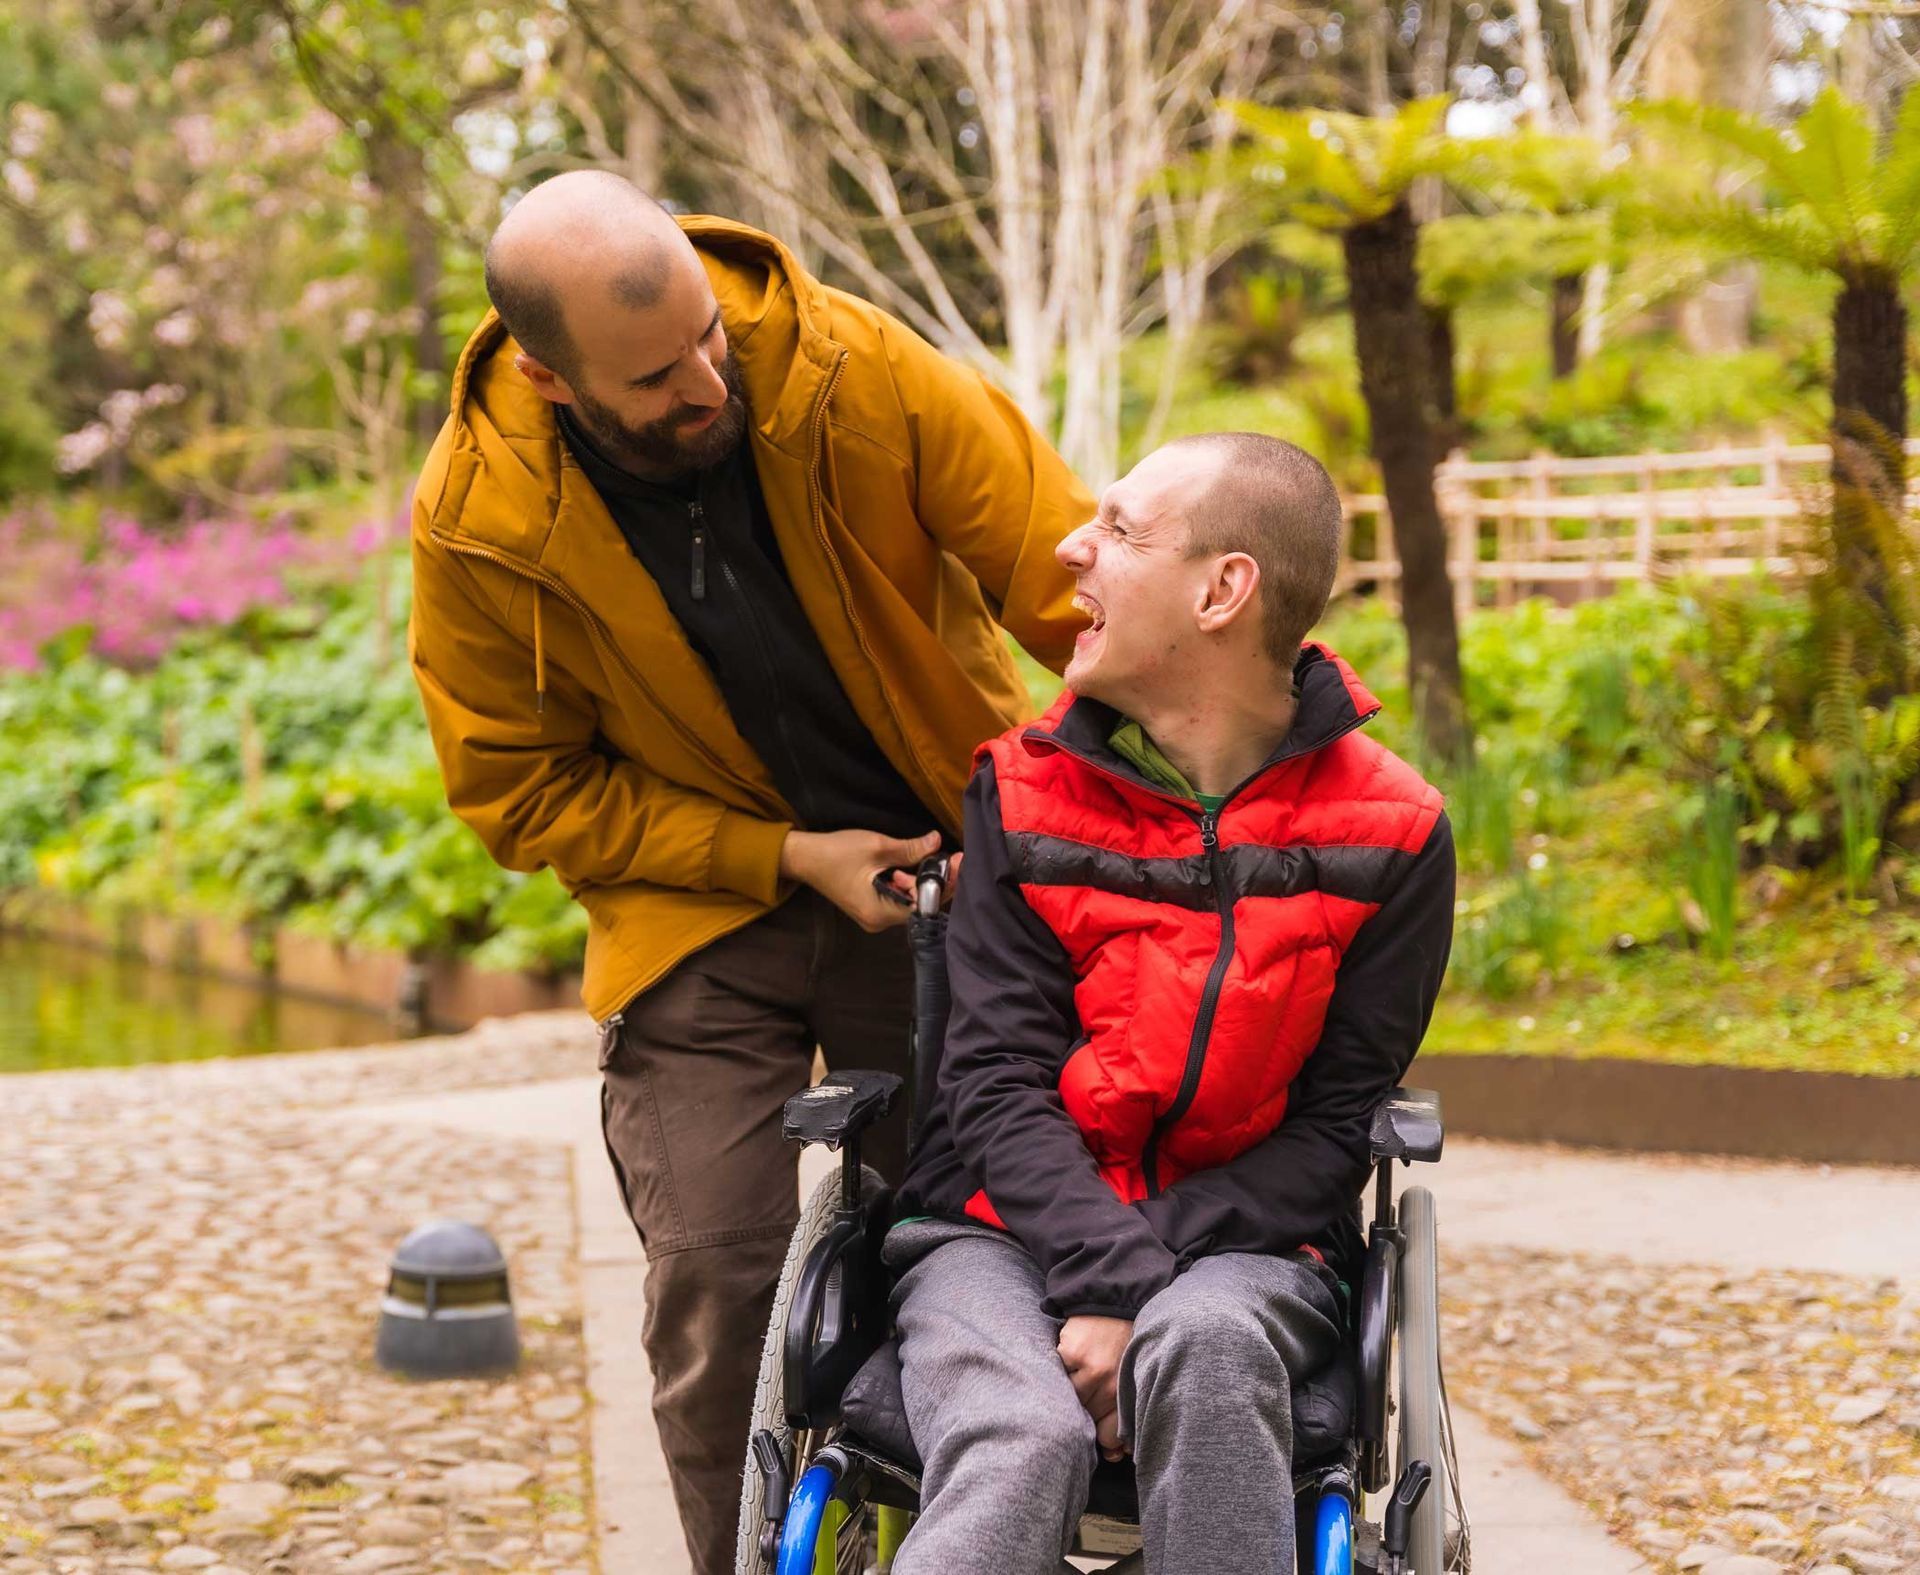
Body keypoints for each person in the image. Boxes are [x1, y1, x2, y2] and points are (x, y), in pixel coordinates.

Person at [406, 170, 1091, 1574]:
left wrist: (1180, 763)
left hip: (941, 866)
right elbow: (520, 789)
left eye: (710, 338)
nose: (706, 381)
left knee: (956, 1251)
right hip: (698, 911)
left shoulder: (851, 367)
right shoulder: (477, 521)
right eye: (655, 376)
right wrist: (776, 853)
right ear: (547, 374)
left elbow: (1073, 577)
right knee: (722, 1275)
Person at [886, 433, 1457, 1575]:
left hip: (1248, 1245)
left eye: (1121, 530)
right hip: (994, 1232)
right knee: (1019, 1430)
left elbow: (1339, 1125)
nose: (1070, 547)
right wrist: (1110, 1274)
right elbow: (993, 1081)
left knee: (1205, 1344)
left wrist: (1141, 1277)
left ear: (1223, 589)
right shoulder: (1021, 788)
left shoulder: (1393, 833)